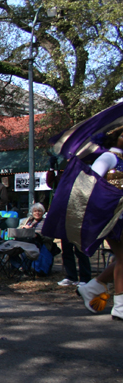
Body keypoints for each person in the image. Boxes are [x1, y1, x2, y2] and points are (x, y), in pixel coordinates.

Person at [74, 124, 123, 319]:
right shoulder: (109, 157)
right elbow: (91, 183)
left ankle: (92, 288)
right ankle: (120, 306)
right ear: (115, 137)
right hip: (112, 219)